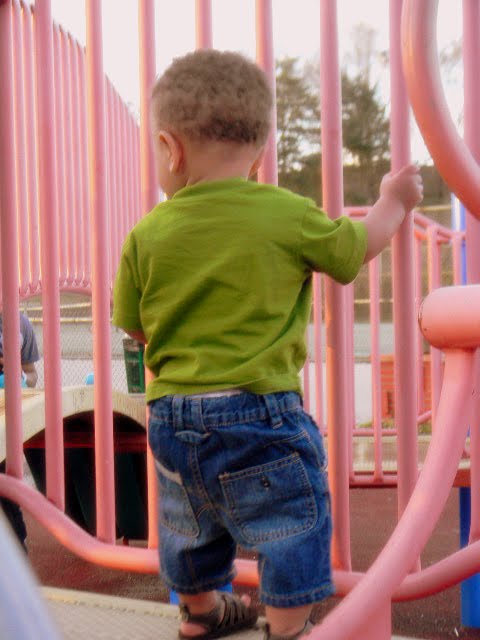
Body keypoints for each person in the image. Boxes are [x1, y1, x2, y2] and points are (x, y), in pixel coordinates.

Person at [113, 49, 423, 640]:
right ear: (258, 154)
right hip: (259, 409)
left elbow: (133, 324)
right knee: (291, 519)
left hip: (173, 414)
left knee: (187, 522)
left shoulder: (146, 234)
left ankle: (200, 614)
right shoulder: (285, 213)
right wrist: (394, 201)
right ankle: (286, 628)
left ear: (170, 148)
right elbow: (356, 248)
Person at [0, 312, 40, 551]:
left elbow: (32, 373)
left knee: (5, 476)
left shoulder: (20, 323)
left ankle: (18, 540)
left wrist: (23, 378)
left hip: (6, 412)